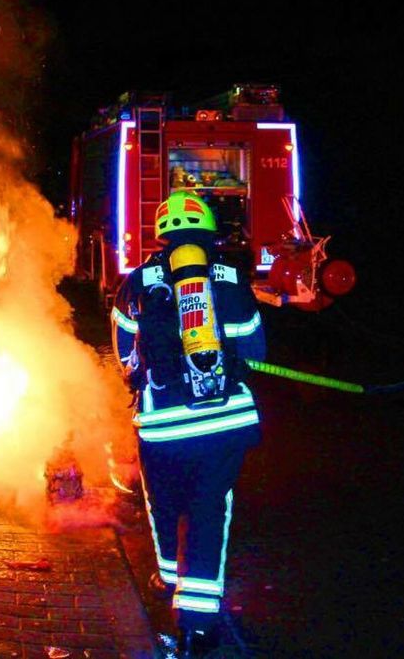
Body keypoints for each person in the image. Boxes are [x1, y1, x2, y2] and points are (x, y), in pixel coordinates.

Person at [110, 190, 266, 656]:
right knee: (208, 511)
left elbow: (124, 354)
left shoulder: (137, 282)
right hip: (223, 422)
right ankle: (197, 624)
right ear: (209, 230)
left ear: (162, 233)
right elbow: (255, 347)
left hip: (162, 427)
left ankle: (167, 578)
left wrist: (144, 375)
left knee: (163, 501)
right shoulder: (231, 278)